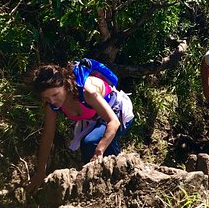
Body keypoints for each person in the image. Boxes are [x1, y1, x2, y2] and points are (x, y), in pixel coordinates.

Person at [27, 60, 134, 192]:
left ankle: (121, 181)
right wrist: (40, 172)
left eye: (55, 94)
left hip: (117, 112)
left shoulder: (87, 91)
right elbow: (48, 135)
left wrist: (98, 153)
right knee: (89, 148)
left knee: (91, 143)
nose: (53, 101)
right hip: (94, 120)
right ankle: (99, 185)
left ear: (65, 85)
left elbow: (113, 122)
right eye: (47, 98)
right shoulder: (52, 105)